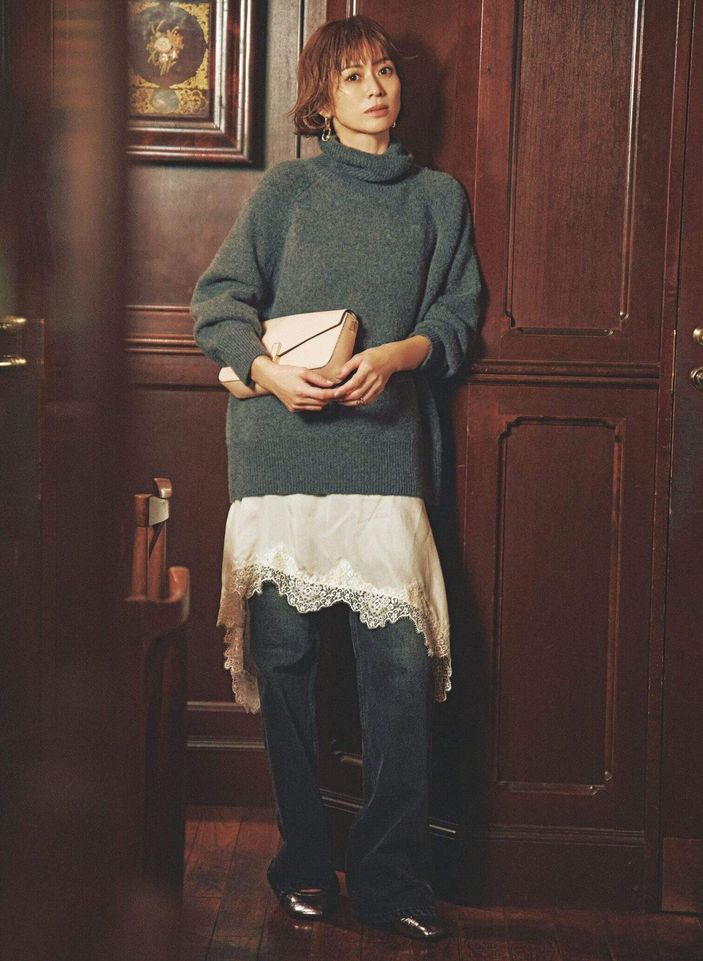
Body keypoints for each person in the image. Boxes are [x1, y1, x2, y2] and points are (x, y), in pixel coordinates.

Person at [190, 14, 481, 942]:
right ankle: (305, 864)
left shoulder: (438, 198)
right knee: (284, 667)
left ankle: (392, 878)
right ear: (320, 101)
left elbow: (459, 315)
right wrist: (270, 374)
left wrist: (395, 356)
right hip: (278, 455)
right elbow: (217, 302)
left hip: (385, 455)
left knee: (395, 671)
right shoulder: (286, 190)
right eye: (352, 77)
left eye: (383, 70)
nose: (374, 88)